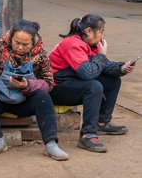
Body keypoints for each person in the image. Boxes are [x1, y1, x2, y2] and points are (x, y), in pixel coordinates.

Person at [0, 20, 69, 161]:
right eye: (17, 42)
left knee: (43, 97)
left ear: (33, 42)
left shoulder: (41, 56)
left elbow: (48, 83)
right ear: (11, 38)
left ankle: (51, 144)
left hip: (24, 100)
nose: (20, 47)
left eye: (25, 44)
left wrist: (27, 85)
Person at [49, 14, 135, 153]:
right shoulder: (72, 44)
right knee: (94, 86)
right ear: (89, 31)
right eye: (101, 31)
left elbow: (104, 66)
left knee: (112, 80)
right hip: (56, 88)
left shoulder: (89, 45)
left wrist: (121, 68)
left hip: (72, 83)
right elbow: (87, 73)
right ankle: (87, 135)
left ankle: (102, 122)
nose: (102, 35)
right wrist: (101, 55)